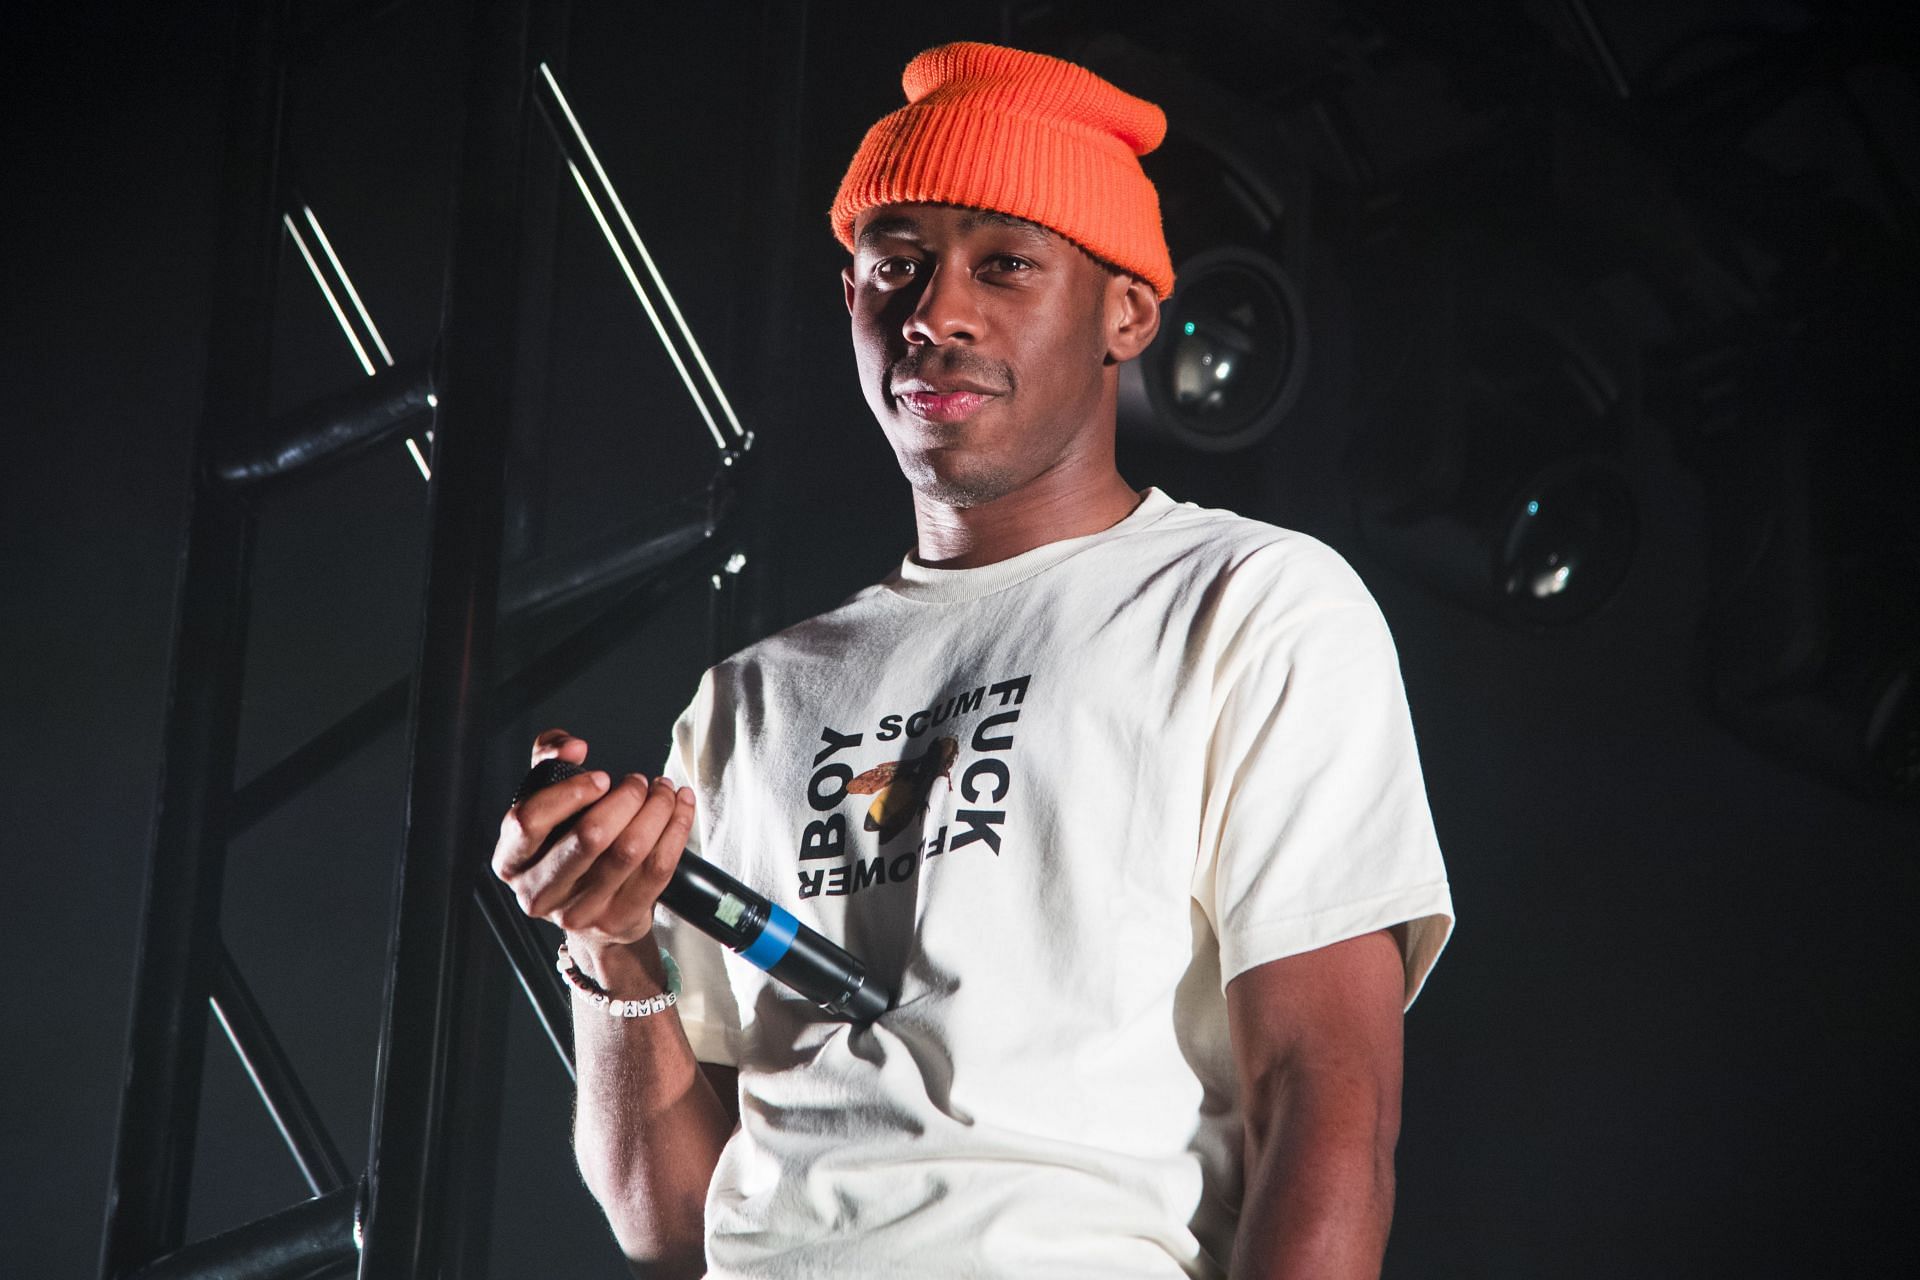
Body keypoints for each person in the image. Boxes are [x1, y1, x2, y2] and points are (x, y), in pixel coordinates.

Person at [493, 41, 1454, 1279]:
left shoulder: (1251, 602)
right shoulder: (751, 699)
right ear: (851, 297)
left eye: (1006, 264)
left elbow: (1331, 1106)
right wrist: (608, 943)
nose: (935, 312)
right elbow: (670, 1223)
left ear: (1127, 312)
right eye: (898, 265)